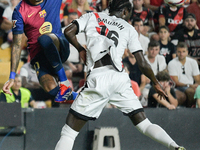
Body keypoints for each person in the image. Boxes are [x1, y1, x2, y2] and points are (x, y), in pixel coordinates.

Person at [55, 0, 186, 150]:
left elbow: (68, 31)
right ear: (124, 12)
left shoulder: (92, 16)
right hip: (119, 78)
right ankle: (174, 146)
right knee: (144, 124)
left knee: (68, 133)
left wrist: (80, 49)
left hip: (98, 77)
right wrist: (155, 82)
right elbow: (142, 62)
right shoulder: (128, 28)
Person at [2, 0, 79, 103]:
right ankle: (77, 96)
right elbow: (16, 45)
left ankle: (64, 82)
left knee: (44, 39)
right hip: (38, 55)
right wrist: (11, 77)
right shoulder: (19, 11)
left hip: (59, 46)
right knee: (49, 87)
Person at [168, 42, 200, 107]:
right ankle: (189, 110)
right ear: (176, 52)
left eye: (183, 51)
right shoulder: (172, 63)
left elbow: (198, 80)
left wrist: (196, 86)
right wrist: (189, 85)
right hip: (178, 87)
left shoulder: (193, 62)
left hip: (190, 85)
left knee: (196, 91)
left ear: (187, 52)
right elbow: (176, 83)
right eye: (179, 52)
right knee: (190, 92)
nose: (181, 54)